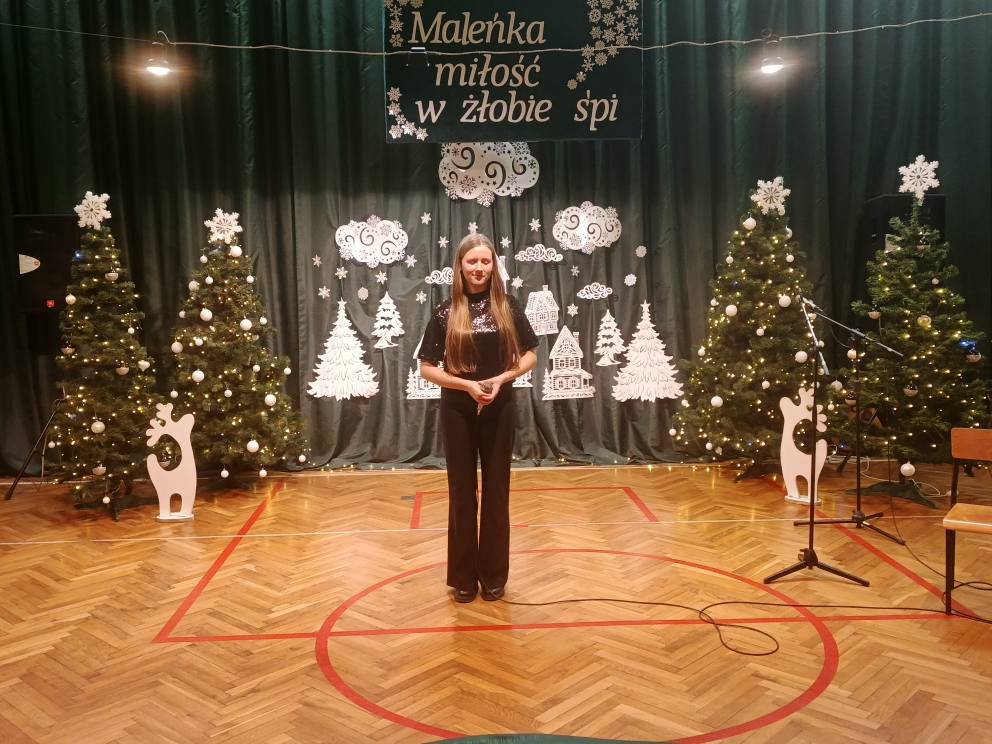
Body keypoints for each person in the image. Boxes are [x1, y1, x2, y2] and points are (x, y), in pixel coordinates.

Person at [418, 233, 538, 603]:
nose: (479, 268)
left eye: (486, 261)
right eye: (473, 261)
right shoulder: (445, 311)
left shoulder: (508, 306)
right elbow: (426, 367)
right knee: (461, 492)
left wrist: (502, 379)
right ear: (460, 266)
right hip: (458, 410)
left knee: (497, 490)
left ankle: (494, 576)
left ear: (493, 265)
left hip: (500, 407)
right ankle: (464, 578)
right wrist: (466, 386)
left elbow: (530, 355)